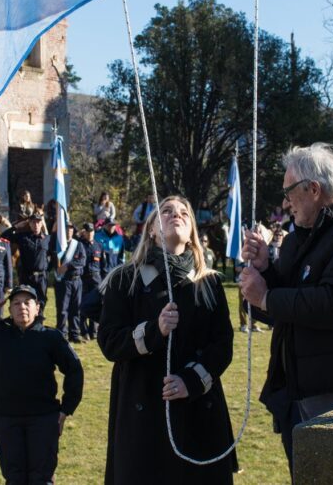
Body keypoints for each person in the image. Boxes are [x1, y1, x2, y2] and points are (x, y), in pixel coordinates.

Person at [237, 143, 333, 476]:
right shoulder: (302, 237)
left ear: (313, 189)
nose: (285, 202)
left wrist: (266, 297)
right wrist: (265, 269)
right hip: (300, 395)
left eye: (289, 192)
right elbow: (283, 306)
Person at [97, 195, 237, 483]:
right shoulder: (124, 279)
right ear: (151, 228)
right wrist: (154, 331)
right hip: (143, 414)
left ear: (193, 232)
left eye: (185, 212)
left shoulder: (208, 282)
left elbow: (223, 345)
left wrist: (191, 381)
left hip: (199, 413)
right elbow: (110, 341)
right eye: (167, 211)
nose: (177, 215)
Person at [0, 285, 84, 485]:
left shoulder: (50, 337)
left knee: (41, 478)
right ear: (9, 308)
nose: (21, 307)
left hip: (43, 419)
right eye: (15, 303)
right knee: (14, 478)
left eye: (27, 302)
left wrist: (66, 409)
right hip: (6, 419)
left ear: (37, 308)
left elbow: (74, 370)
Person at [0, 213, 52, 310]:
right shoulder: (23, 237)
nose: (36, 225)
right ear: (30, 224)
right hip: (26, 276)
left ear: (41, 224)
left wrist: (47, 270)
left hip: (41, 277)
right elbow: (3, 237)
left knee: (41, 301)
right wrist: (16, 226)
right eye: (33, 222)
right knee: (26, 300)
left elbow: (54, 255)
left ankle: (38, 323)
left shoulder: (48, 239)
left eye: (38, 222)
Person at [54, 224, 87, 342]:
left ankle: (74, 334)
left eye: (71, 229)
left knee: (76, 309)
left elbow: (82, 261)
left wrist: (68, 265)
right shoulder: (58, 245)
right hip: (64, 281)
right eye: (67, 229)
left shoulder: (78, 245)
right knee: (63, 309)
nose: (69, 231)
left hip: (77, 280)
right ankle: (61, 334)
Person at [79, 223, 104, 340]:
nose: (90, 234)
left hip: (96, 279)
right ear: (84, 232)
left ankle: (93, 331)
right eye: (87, 231)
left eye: (92, 231)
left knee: (95, 304)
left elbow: (103, 265)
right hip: (83, 279)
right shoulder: (80, 245)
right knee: (83, 304)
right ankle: (83, 331)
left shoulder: (98, 246)